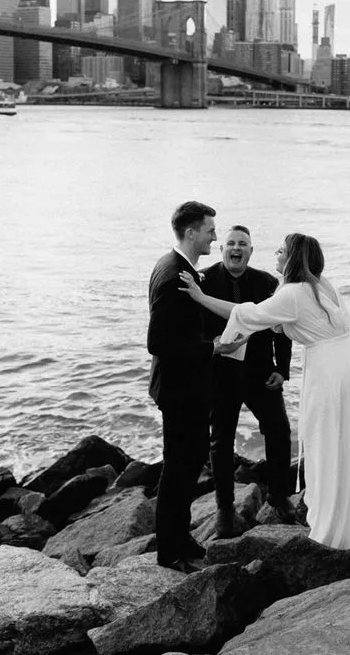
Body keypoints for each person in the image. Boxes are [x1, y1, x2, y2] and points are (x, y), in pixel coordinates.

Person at [179, 233, 350, 550]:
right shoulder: (322, 283)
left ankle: (337, 530)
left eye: (281, 251)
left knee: (328, 443)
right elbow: (280, 322)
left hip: (332, 371)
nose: (276, 254)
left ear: (292, 259)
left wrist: (199, 296)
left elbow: (245, 314)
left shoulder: (291, 292)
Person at [147, 201, 245, 571]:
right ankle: (170, 550)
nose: (215, 237)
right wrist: (214, 347)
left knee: (186, 466)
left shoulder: (178, 267)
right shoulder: (174, 274)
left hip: (184, 386)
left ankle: (181, 538)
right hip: (180, 390)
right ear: (191, 233)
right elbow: (158, 342)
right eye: (209, 231)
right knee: (179, 469)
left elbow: (182, 327)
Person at [199, 225, 298, 537]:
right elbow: (191, 327)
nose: (236, 248)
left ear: (251, 251)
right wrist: (210, 341)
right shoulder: (204, 281)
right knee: (220, 440)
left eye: (242, 244)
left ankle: (279, 497)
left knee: (279, 430)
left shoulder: (267, 282)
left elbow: (281, 329)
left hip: (260, 372)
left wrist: (282, 369)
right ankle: (224, 509)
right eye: (230, 243)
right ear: (222, 249)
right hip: (220, 373)